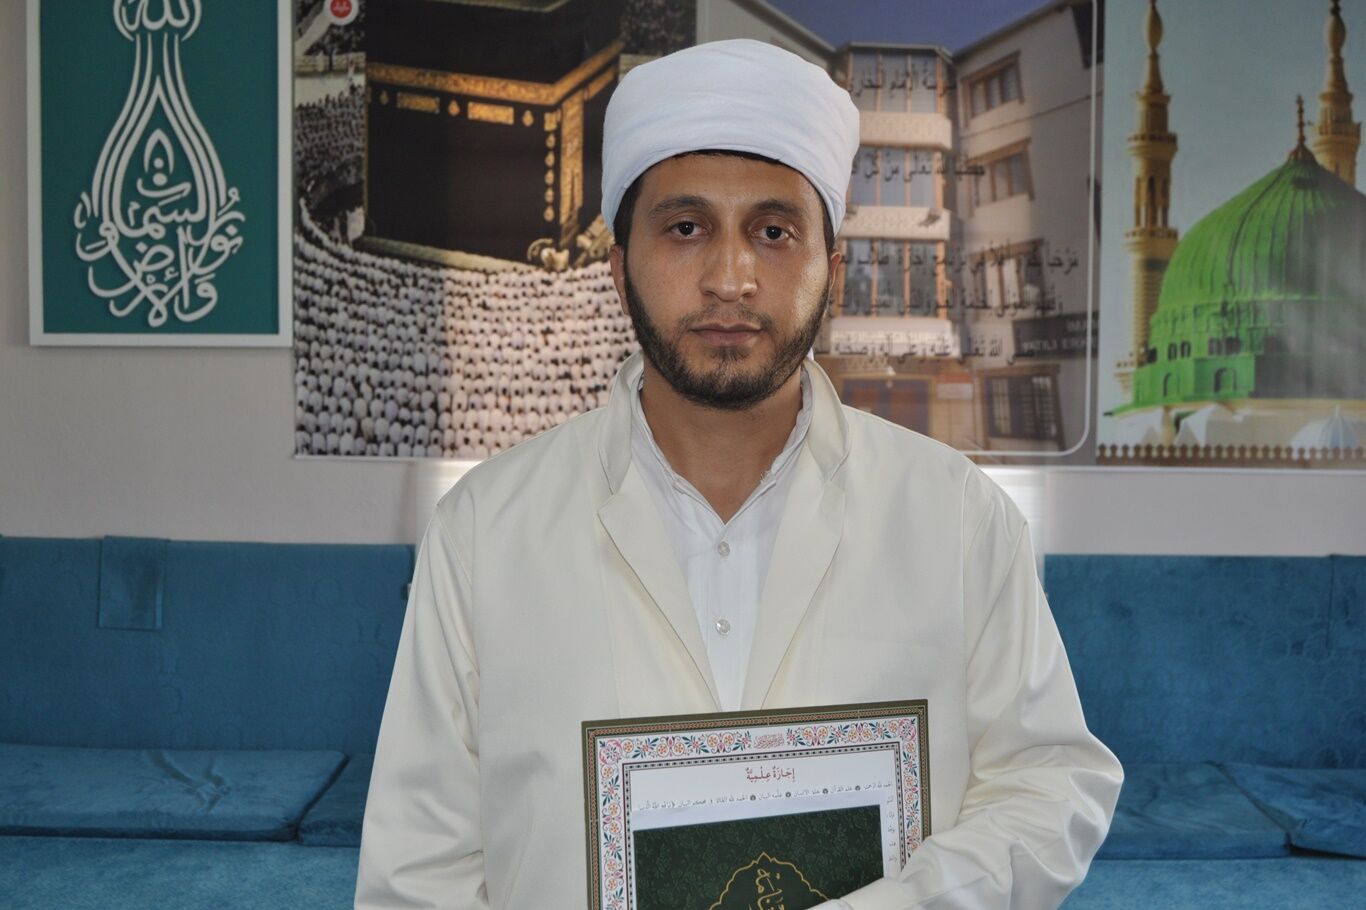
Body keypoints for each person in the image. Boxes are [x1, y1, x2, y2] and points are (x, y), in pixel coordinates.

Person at [355, 38, 1122, 910]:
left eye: (774, 231)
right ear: (619, 269)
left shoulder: (956, 518)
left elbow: (1047, 784)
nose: (730, 278)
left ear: (833, 272)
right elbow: (420, 869)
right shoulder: (485, 533)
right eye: (686, 228)